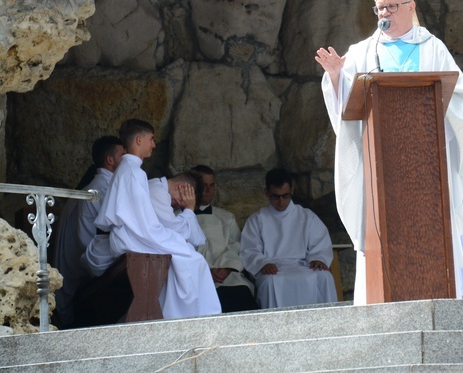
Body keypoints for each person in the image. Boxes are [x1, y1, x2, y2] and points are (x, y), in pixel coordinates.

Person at [314, 0, 463, 304]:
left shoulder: (433, 48)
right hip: (381, 164)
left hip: (426, 164)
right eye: (380, 8)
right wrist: (336, 77)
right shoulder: (360, 52)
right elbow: (347, 106)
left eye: (390, 7)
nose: (384, 14)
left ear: (410, 5)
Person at [94, 119, 221, 319]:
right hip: (131, 238)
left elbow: (141, 220)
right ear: (139, 140)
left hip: (130, 235)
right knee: (192, 258)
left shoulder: (131, 170)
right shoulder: (134, 173)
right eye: (151, 139)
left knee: (187, 255)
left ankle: (187, 313)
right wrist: (172, 238)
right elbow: (144, 225)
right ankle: (189, 315)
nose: (154, 144)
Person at [53, 135, 125, 328]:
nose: (127, 160)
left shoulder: (96, 187)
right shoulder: (102, 189)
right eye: (123, 155)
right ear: (110, 160)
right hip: (82, 271)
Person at [239, 168, 337, 309]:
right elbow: (250, 249)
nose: (281, 201)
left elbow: (320, 243)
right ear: (266, 192)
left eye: (285, 196)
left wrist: (318, 258)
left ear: (292, 190)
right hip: (273, 268)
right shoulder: (257, 219)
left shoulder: (306, 216)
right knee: (269, 282)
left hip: (304, 265)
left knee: (324, 277)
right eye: (275, 196)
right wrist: (262, 263)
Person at [192, 165, 259, 312]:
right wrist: (205, 270)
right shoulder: (179, 218)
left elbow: (235, 245)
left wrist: (227, 267)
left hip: (225, 276)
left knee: (241, 294)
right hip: (194, 277)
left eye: (212, 185)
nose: (208, 190)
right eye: (204, 186)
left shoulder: (226, 217)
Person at [148, 171, 205, 248]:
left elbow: (197, 239)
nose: (182, 202)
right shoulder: (158, 192)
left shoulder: (158, 187)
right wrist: (189, 208)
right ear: (180, 187)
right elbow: (175, 230)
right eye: (186, 196)